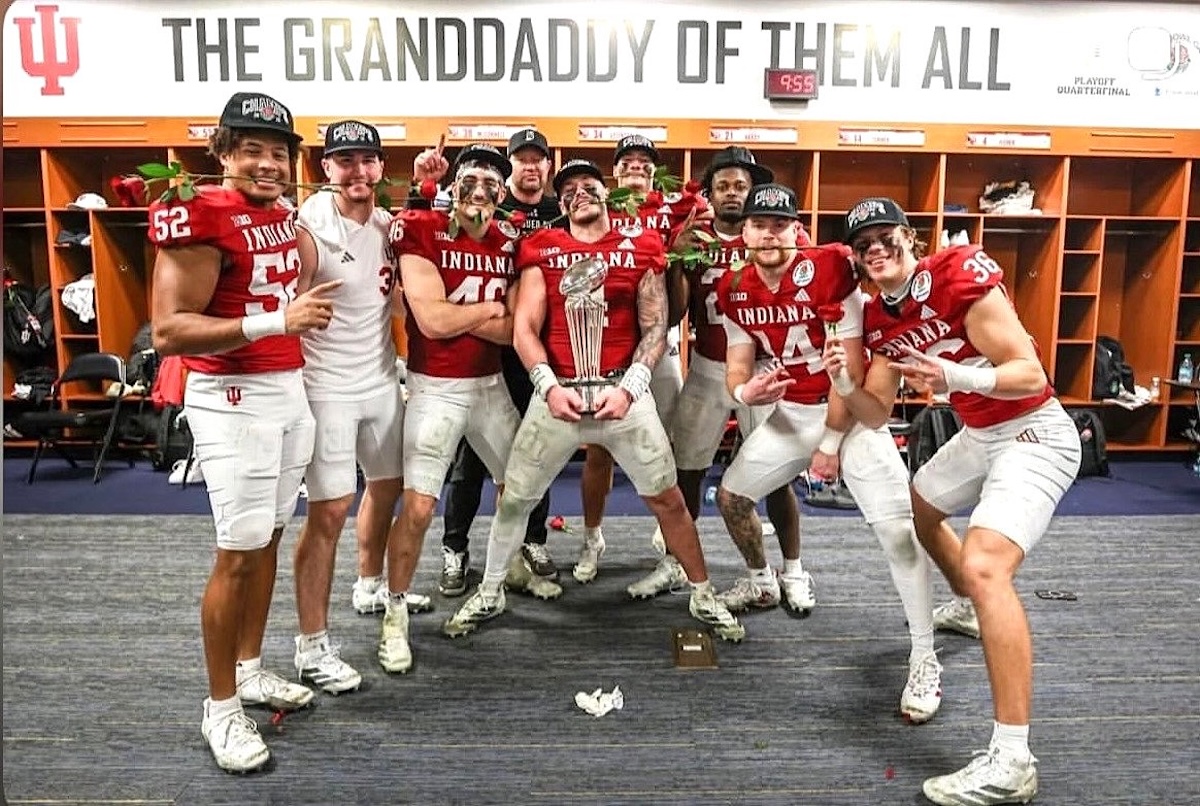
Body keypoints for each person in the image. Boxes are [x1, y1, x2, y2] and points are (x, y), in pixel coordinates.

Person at [826, 197, 1081, 805]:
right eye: (863, 245)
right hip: (979, 437)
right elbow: (877, 411)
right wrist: (842, 383)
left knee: (986, 564)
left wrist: (955, 378)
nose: (875, 250)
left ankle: (1013, 758)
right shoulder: (886, 321)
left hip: (1034, 431)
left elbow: (1029, 374)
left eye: (885, 236)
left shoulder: (958, 272)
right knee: (922, 506)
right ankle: (968, 606)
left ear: (909, 237)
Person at [441, 159, 744, 641]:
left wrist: (630, 389)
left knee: (667, 499)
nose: (578, 193)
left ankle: (703, 593)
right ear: (560, 205)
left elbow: (655, 327)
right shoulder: (544, 246)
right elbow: (524, 328)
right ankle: (493, 589)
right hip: (558, 390)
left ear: (608, 194)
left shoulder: (640, 245)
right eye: (568, 191)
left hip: (622, 389)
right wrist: (548, 386)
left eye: (588, 185)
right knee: (516, 498)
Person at [149, 91, 342, 773]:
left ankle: (251, 667)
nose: (267, 163)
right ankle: (221, 708)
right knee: (236, 551)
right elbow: (169, 330)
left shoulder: (280, 214)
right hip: (232, 395)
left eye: (279, 151)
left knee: (268, 539)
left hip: (286, 387)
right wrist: (271, 323)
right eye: (251, 149)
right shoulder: (201, 215)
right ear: (223, 153)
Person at [713, 183, 942, 721]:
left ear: (798, 230)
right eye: (758, 224)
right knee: (731, 498)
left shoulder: (831, 268)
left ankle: (925, 654)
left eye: (780, 224)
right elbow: (738, 364)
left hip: (852, 418)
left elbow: (854, 374)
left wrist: (832, 445)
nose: (769, 234)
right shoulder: (733, 286)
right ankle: (762, 579)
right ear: (742, 233)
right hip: (792, 415)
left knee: (897, 535)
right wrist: (743, 395)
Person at [627, 146, 801, 600]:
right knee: (685, 469)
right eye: (722, 186)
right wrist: (678, 264)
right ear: (710, 194)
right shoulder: (698, 239)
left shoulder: (766, 238)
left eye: (740, 185)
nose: (731, 193)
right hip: (706, 367)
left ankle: (794, 569)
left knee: (777, 475)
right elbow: (672, 318)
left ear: (752, 191)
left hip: (763, 369)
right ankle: (674, 563)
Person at [380, 142, 525, 672]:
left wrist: (457, 310)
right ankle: (394, 615)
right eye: (471, 180)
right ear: (453, 186)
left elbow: (514, 332)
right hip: (435, 387)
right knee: (418, 507)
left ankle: (496, 579)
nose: (480, 192)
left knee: (520, 487)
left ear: (504, 193)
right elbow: (431, 324)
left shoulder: (511, 240)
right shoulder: (420, 227)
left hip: (489, 386)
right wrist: (486, 308)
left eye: (492, 183)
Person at [290, 119, 415, 696]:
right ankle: (311, 645)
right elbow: (285, 299)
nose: (357, 171)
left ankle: (369, 583)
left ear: (379, 168)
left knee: (387, 485)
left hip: (381, 379)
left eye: (367, 160)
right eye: (345, 161)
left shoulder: (391, 225)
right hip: (327, 386)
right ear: (326, 170)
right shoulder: (309, 225)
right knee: (329, 511)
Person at [573, 135, 708, 585]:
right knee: (599, 448)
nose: (635, 166)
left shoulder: (670, 211)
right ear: (614, 172)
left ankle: (668, 536)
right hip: (604, 345)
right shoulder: (596, 206)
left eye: (643, 161)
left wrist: (684, 248)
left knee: (666, 443)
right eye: (627, 160)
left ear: (654, 171)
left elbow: (679, 288)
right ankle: (592, 536)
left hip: (659, 343)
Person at [436, 128, 561, 595]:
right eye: (521, 159)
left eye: (538, 159)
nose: (531, 166)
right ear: (510, 168)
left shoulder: (559, 213)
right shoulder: (483, 211)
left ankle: (532, 540)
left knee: (538, 449)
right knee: (470, 458)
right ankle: (455, 547)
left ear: (548, 166)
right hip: (487, 350)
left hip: (540, 349)